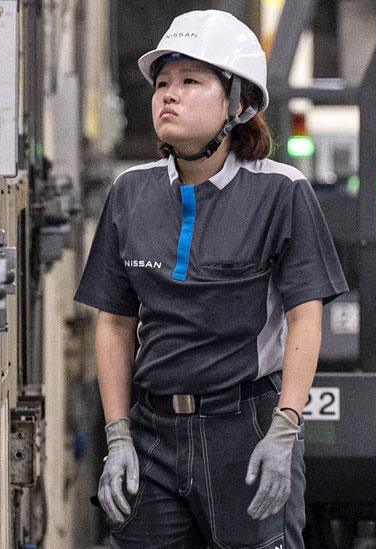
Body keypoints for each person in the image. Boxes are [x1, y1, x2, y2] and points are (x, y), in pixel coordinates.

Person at [74, 9, 348, 548]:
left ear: (238, 103)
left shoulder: (280, 192)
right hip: (151, 431)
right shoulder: (130, 192)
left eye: (191, 82)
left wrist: (284, 431)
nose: (167, 95)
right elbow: (114, 324)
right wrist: (118, 435)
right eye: (162, 83)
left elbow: (304, 318)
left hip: (245, 430)